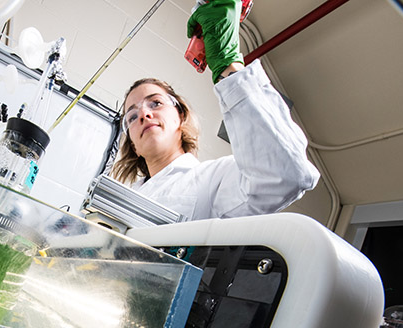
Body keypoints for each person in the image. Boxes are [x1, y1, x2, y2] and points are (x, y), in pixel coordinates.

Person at [111, 0, 319, 222]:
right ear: (132, 143)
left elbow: (286, 175)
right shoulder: (122, 199)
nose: (144, 114)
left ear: (180, 116)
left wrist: (228, 64)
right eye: (132, 116)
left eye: (155, 103)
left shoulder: (212, 179)